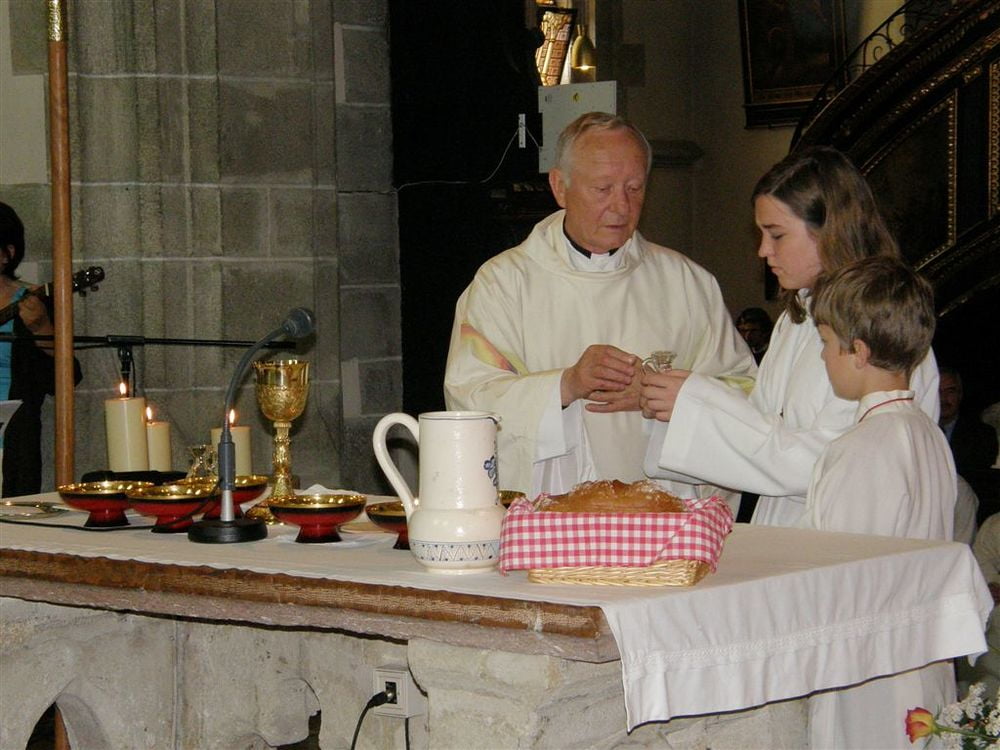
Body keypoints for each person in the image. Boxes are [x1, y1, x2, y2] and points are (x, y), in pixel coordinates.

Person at [444, 112, 756, 498]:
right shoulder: (503, 285)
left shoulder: (687, 283)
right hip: (550, 514)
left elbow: (744, 393)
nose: (621, 206)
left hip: (661, 516)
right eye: (603, 188)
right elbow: (470, 399)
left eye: (634, 188)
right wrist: (565, 385)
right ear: (559, 186)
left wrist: (666, 395)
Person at [640, 146, 940, 527]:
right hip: (783, 523)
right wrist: (676, 403)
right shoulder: (796, 316)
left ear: (829, 231)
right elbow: (765, 420)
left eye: (776, 235)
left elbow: (827, 460)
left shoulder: (878, 328)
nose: (763, 250)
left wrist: (697, 405)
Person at [795, 258, 956, 750]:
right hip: (921, 657)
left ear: (859, 352)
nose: (823, 356)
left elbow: (840, 577)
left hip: (870, 677)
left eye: (826, 342)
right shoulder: (928, 433)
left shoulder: (862, 448)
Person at [0, 202, 82, 497]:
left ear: (7, 253)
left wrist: (41, 328)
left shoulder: (34, 302)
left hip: (12, 440)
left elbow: (66, 379)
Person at [938, 365, 999, 476]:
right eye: (938, 391)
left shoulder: (982, 435)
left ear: (960, 394)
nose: (943, 398)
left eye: (950, 391)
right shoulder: (918, 431)